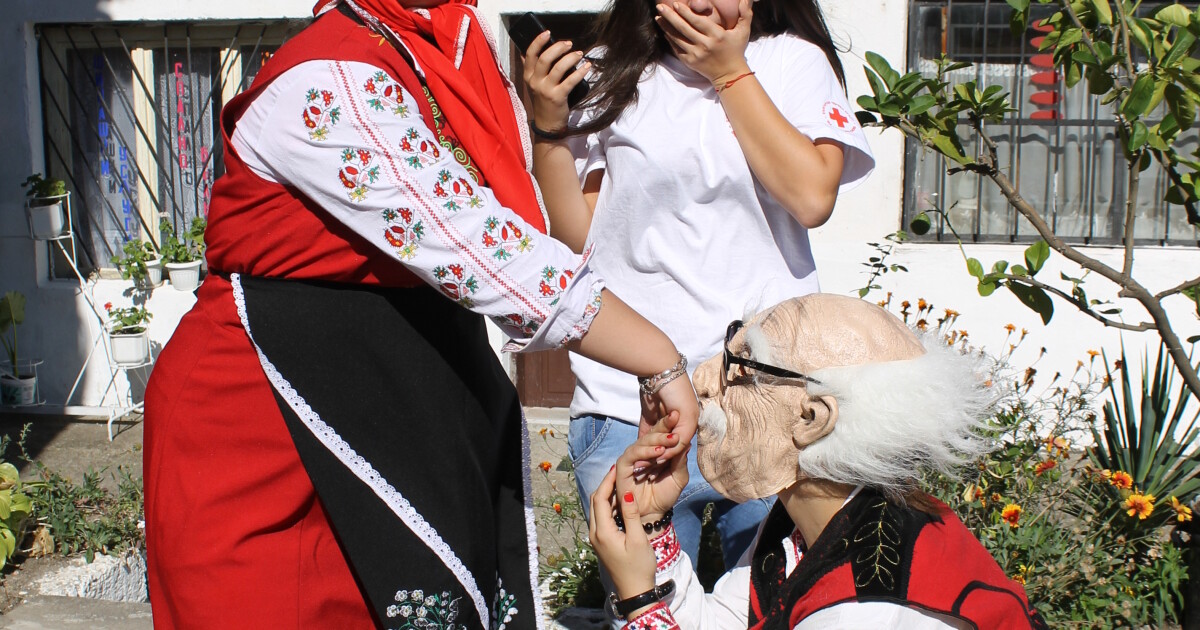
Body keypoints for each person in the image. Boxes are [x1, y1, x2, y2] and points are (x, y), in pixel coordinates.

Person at [141, 0, 698, 627]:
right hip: (265, 423)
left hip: (377, 404)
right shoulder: (327, 77)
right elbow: (480, 250)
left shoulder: (437, 53)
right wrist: (658, 360)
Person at [520, 0, 876, 572]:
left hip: (770, 403)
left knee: (782, 602)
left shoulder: (791, 62)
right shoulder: (613, 70)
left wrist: (728, 71)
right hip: (630, 405)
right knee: (647, 602)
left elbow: (812, 198)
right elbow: (578, 238)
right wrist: (548, 129)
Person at [588, 294, 1049, 629]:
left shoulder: (867, 611)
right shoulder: (811, 525)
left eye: (743, 366)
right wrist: (650, 525)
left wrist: (640, 603)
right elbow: (723, 623)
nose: (704, 380)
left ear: (812, 419)